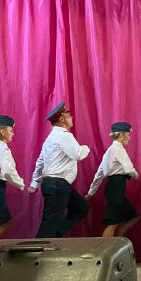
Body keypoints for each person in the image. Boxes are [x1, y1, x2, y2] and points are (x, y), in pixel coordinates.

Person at [29, 101, 91, 238]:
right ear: (62, 119)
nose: (71, 117)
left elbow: (40, 161)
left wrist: (35, 181)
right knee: (50, 222)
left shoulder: (50, 138)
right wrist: (86, 148)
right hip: (57, 184)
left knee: (81, 208)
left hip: (55, 184)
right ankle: (38, 248)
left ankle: (56, 235)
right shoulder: (64, 136)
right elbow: (78, 154)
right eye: (69, 115)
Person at [86, 121, 140, 238]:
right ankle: (107, 247)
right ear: (122, 135)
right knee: (113, 222)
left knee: (127, 218)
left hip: (113, 187)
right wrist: (136, 175)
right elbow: (129, 168)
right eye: (128, 135)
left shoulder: (109, 151)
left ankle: (117, 242)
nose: (129, 138)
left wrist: (91, 191)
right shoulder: (118, 149)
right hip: (116, 187)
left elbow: (99, 173)